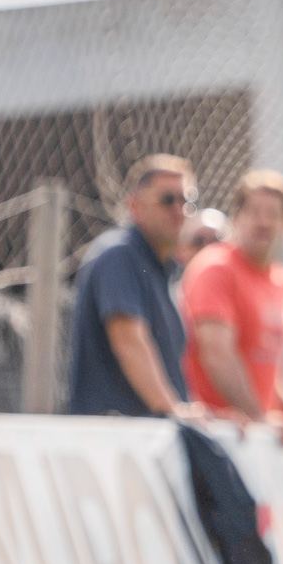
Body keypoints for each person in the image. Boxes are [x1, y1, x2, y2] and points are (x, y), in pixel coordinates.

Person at [181, 171, 283, 443]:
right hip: (215, 435)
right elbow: (217, 355)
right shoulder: (216, 268)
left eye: (273, 213)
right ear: (236, 217)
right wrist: (260, 418)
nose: (263, 221)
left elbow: (266, 369)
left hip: (253, 437)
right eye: (254, 211)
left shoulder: (281, 279)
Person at [68, 155, 201, 419]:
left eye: (186, 201)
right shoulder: (118, 256)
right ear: (134, 206)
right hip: (116, 440)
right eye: (167, 200)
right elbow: (128, 339)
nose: (178, 210)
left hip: (141, 438)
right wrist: (173, 409)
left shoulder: (162, 268)